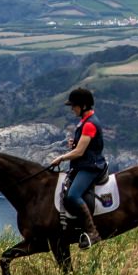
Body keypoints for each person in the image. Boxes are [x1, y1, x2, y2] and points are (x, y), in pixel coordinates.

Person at [47, 87, 109, 248]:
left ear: (83, 106)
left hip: (91, 167)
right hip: (85, 164)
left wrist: (61, 157)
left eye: (74, 106)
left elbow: (80, 152)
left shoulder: (89, 124)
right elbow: (82, 146)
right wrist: (73, 144)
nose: (72, 109)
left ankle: (92, 232)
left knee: (72, 196)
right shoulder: (85, 121)